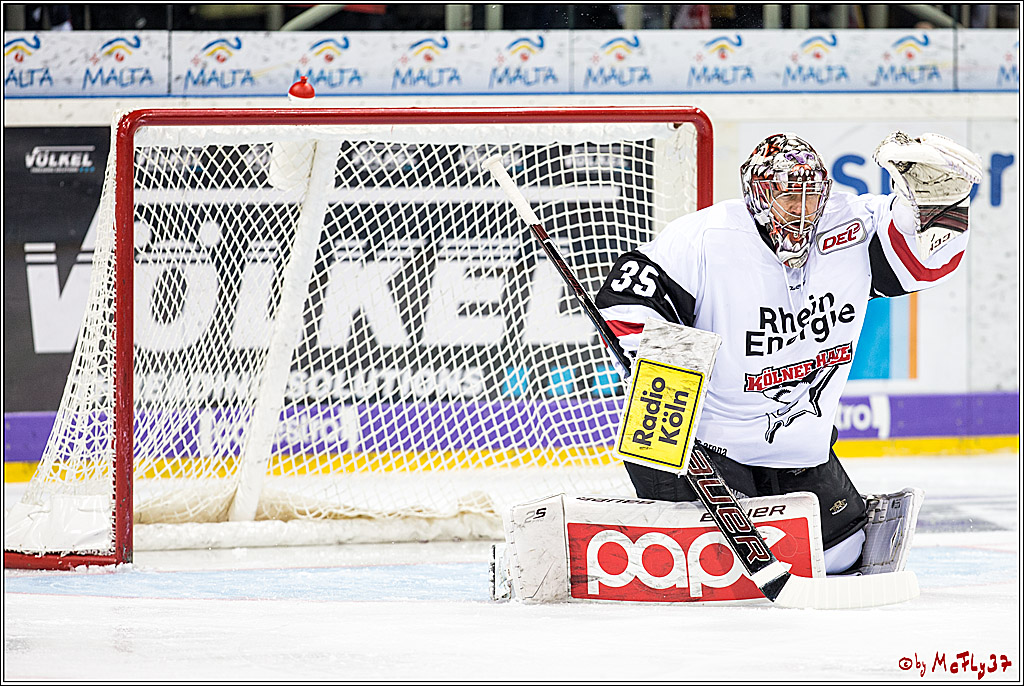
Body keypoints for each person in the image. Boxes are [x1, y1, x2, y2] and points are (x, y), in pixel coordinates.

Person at [595, 131, 983, 574]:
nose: (803, 210)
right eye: (788, 197)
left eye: (812, 195)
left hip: (800, 451)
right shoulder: (705, 237)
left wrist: (940, 202)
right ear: (759, 195)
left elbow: (924, 262)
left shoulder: (849, 228)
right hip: (709, 445)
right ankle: (668, 512)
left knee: (842, 556)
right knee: (701, 550)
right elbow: (625, 304)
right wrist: (671, 373)